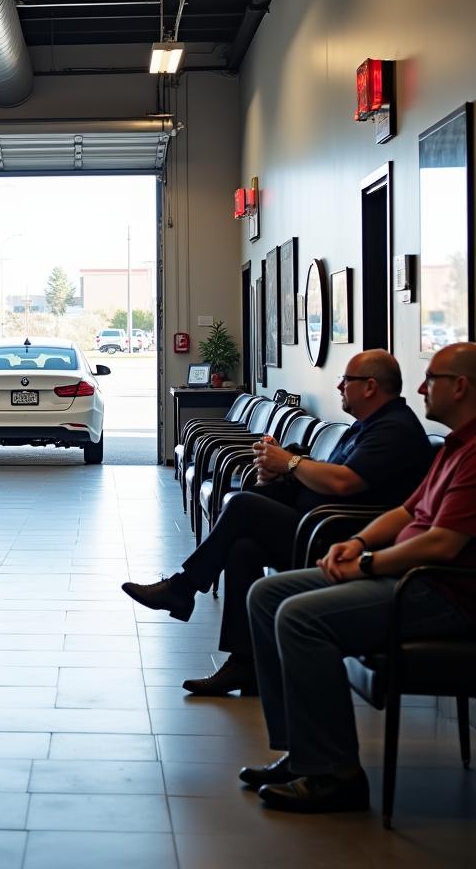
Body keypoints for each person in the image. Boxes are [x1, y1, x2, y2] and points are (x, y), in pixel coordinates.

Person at [242, 343, 476, 813]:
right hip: (410, 576)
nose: (421, 388)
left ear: (461, 386)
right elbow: (407, 511)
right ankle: (304, 754)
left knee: (298, 616)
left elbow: (441, 545)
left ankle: (336, 774)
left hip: (440, 590)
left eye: (432, 378)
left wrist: (368, 565)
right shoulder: (454, 445)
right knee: (266, 594)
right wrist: (361, 543)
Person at [121, 350, 433, 696]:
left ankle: (183, 588)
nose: (340, 386)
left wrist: (291, 463)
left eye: (348, 380)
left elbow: (345, 483)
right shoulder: (367, 425)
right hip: (320, 524)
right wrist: (278, 469)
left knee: (240, 504)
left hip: (338, 535)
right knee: (243, 549)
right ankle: (245, 665)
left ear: (371, 386)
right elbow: (325, 474)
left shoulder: (394, 429)